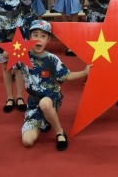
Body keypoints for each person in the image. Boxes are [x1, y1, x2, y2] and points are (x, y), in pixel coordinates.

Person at [13, 20, 91, 151]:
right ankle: (44, 121)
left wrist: (85, 72)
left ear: (48, 39)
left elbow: (67, 76)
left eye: (43, 36)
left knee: (45, 104)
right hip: (33, 103)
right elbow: (5, 56)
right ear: (29, 37)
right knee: (27, 141)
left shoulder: (52, 59)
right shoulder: (22, 55)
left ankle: (60, 133)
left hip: (51, 97)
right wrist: (15, 48)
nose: (39, 39)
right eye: (35, 35)